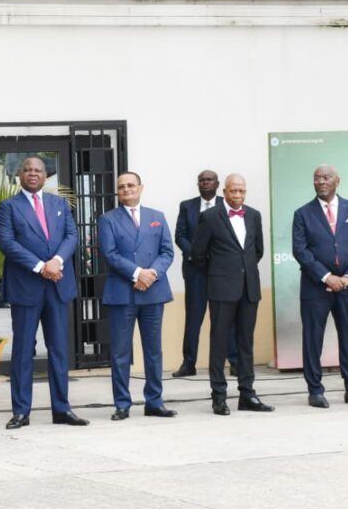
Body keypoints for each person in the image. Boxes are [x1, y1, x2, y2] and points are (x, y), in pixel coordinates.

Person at [0, 156, 88, 429]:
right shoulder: (8, 207)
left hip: (58, 286)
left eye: (38, 170)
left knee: (59, 350)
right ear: (19, 176)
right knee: (24, 351)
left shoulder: (59, 204)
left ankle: (61, 409)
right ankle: (21, 412)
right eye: (27, 170)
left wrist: (57, 262)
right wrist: (40, 267)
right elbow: (7, 243)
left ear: (46, 176)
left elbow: (72, 236)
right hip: (26, 287)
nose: (33, 174)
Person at [190, 174, 274, 415]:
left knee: (246, 342)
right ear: (224, 191)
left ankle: (247, 393)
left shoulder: (254, 215)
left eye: (242, 191)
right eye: (233, 191)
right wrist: (220, 273)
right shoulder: (209, 216)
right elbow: (198, 254)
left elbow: (257, 251)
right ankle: (219, 395)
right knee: (219, 342)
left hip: (249, 288)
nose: (238, 195)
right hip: (221, 288)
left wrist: (242, 272)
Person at [98, 171, 176, 420]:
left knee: (154, 351)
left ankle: (154, 401)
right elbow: (109, 254)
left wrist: (151, 273)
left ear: (141, 188)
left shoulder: (157, 217)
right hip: (122, 294)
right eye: (122, 187)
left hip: (153, 293)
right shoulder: (107, 219)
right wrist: (137, 273)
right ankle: (122, 403)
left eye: (131, 185)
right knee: (121, 353)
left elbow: (167, 251)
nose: (126, 189)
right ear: (118, 192)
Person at [292, 165, 348, 408]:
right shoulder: (302, 213)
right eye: (316, 178)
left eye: (326, 177)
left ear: (337, 180)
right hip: (316, 287)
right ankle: (315, 390)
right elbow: (300, 251)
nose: (321, 181)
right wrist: (326, 277)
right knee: (312, 338)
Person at [173, 170, 238, 378]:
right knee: (193, 317)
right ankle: (188, 363)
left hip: (220, 271)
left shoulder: (225, 205)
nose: (205, 182)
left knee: (224, 318)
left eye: (209, 180)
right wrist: (195, 254)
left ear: (218, 183)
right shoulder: (187, 206)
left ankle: (234, 361)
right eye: (202, 180)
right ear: (198, 184)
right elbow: (180, 235)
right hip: (195, 270)